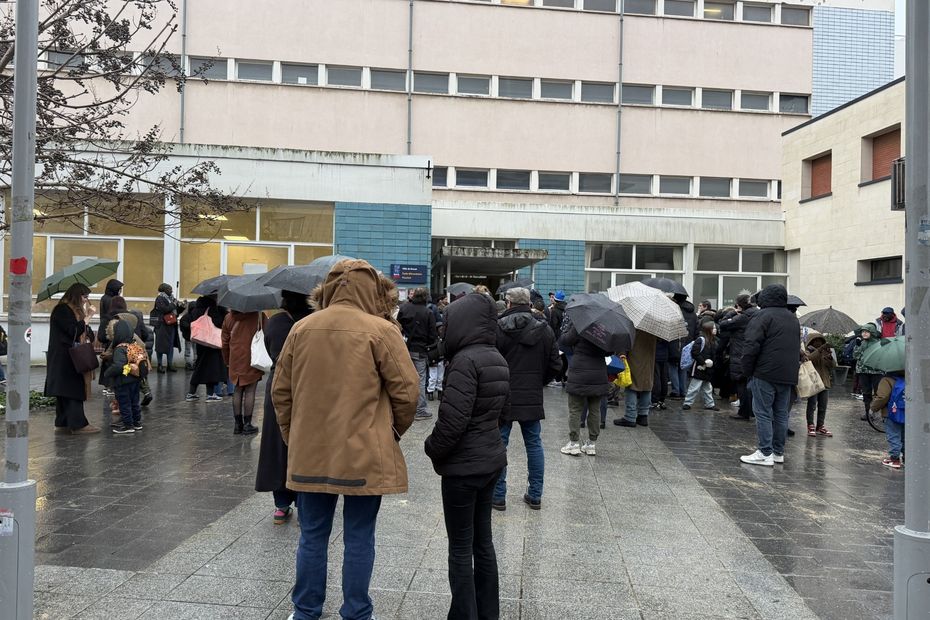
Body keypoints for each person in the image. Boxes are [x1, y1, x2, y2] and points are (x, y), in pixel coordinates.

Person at [271, 259, 418, 620]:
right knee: (359, 536)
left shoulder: (301, 328)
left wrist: (295, 437)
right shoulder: (381, 330)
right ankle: (356, 612)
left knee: (312, 536)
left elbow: (281, 392)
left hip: (310, 453)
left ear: (328, 289)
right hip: (365, 452)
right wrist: (391, 431)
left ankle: (305, 611)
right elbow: (408, 393)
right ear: (375, 291)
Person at [425, 292, 508, 620]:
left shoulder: (464, 361)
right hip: (490, 461)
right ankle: (488, 612)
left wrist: (431, 447)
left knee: (460, 548)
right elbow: (504, 413)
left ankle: (463, 615)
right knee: (483, 544)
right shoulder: (496, 357)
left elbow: (452, 422)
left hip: (463, 470)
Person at [493, 287, 561, 511]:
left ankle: (498, 495)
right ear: (529, 303)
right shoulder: (545, 329)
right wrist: (538, 381)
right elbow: (555, 365)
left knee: (500, 443)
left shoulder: (498, 328)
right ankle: (535, 495)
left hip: (504, 393)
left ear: (509, 303)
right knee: (534, 444)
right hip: (531, 394)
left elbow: (490, 361)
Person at [256, 290, 312, 525]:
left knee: (276, 444)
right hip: (308, 386)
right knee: (305, 444)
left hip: (278, 386)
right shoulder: (314, 320)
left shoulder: (277, 321)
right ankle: (304, 502)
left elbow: (271, 351)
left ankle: (281, 505)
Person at [739, 284, 800, 467]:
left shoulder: (762, 316)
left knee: (763, 413)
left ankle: (764, 452)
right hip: (788, 374)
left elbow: (751, 345)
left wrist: (747, 370)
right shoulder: (792, 318)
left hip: (765, 372)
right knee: (781, 414)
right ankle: (778, 452)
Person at [45, 283, 99, 434]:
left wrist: (86, 323)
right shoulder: (62, 310)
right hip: (65, 357)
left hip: (71, 355)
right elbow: (72, 331)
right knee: (71, 389)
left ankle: (62, 422)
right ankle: (78, 424)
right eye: (84, 297)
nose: (86, 300)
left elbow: (85, 331)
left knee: (66, 390)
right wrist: (88, 317)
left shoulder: (74, 310)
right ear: (76, 295)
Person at [559, 314, 611, 455]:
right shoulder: (605, 327)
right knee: (595, 409)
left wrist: (568, 327)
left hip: (579, 371)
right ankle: (591, 444)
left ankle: (574, 443)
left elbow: (565, 340)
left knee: (575, 408)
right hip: (598, 372)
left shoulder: (580, 323)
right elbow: (609, 351)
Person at [222, 310, 266, 435]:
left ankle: (237, 424)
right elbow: (267, 334)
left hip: (235, 357)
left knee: (237, 389)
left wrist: (227, 360)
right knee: (250, 390)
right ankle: (247, 424)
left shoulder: (229, 318)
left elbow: (224, 341)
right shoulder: (259, 316)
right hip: (252, 357)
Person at [397, 286, 437, 420]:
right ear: (426, 297)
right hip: (420, 350)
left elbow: (396, 327)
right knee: (420, 380)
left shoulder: (404, 308)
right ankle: (420, 410)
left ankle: (402, 407)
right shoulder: (428, 312)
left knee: (405, 378)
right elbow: (433, 335)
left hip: (404, 349)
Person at [104, 319, 149, 434]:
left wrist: (108, 372)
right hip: (135, 380)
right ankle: (137, 423)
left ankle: (128, 425)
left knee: (124, 403)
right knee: (135, 402)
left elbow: (119, 366)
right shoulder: (133, 345)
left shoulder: (120, 348)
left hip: (123, 382)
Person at [718, 294, 758, 421]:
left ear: (740, 305)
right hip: (753, 353)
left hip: (739, 354)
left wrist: (731, 313)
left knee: (741, 383)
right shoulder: (757, 314)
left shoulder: (742, 317)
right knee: (750, 384)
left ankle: (744, 412)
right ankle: (751, 410)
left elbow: (722, 323)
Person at [186, 295, 227, 403]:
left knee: (199, 367)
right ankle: (210, 394)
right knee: (212, 369)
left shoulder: (197, 308)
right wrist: (222, 310)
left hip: (201, 342)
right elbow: (219, 322)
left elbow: (188, 320)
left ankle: (191, 392)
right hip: (212, 343)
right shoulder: (212, 308)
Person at [615, 329, 657, 428]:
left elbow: (626, 341)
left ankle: (630, 417)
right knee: (647, 385)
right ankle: (643, 416)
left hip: (635, 358)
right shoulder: (654, 327)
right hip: (649, 360)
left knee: (632, 384)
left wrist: (622, 353)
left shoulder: (635, 325)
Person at [870, 371, 905, 469]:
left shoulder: (887, 380)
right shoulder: (910, 379)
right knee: (904, 436)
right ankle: (907, 458)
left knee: (893, 435)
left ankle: (895, 459)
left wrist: (872, 408)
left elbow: (882, 397)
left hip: (891, 413)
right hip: (906, 412)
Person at [802, 331, 834, 437]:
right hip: (813, 383)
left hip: (825, 382)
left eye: (820, 341)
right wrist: (819, 350)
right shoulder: (807, 351)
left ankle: (820, 425)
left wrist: (829, 357)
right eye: (816, 341)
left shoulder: (825, 351)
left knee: (823, 406)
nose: (818, 343)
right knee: (812, 405)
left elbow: (832, 365)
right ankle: (810, 424)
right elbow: (809, 359)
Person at [682, 322, 719, 411]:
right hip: (699, 367)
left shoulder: (713, 341)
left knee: (707, 387)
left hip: (708, 368)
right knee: (694, 386)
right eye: (713, 328)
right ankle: (687, 403)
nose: (715, 329)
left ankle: (710, 404)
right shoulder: (701, 340)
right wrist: (703, 362)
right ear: (708, 330)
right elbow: (694, 352)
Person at [854, 323, 884, 421]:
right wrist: (857, 346)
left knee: (878, 392)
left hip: (876, 371)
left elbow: (881, 356)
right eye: (863, 332)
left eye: (867, 332)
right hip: (863, 371)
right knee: (866, 393)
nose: (864, 334)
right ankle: (867, 412)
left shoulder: (879, 343)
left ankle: (877, 412)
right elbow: (856, 357)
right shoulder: (861, 343)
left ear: (872, 332)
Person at [152, 283, 184, 372]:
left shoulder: (172, 299)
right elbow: (164, 309)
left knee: (170, 346)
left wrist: (182, 307)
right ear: (164, 290)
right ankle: (160, 365)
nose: (172, 291)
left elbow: (176, 311)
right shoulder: (160, 298)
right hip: (162, 326)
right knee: (160, 346)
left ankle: (170, 364)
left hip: (171, 324)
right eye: (169, 289)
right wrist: (173, 304)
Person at [427, 298, 446, 401]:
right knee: (433, 377)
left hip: (441, 359)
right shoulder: (433, 338)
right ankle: (430, 391)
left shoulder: (444, 338)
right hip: (434, 358)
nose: (441, 330)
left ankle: (439, 391)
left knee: (440, 377)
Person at [652, 338, 670, 410]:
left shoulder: (655, 333)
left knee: (656, 378)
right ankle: (662, 399)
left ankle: (655, 400)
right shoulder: (667, 333)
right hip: (665, 356)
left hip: (656, 356)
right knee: (664, 378)